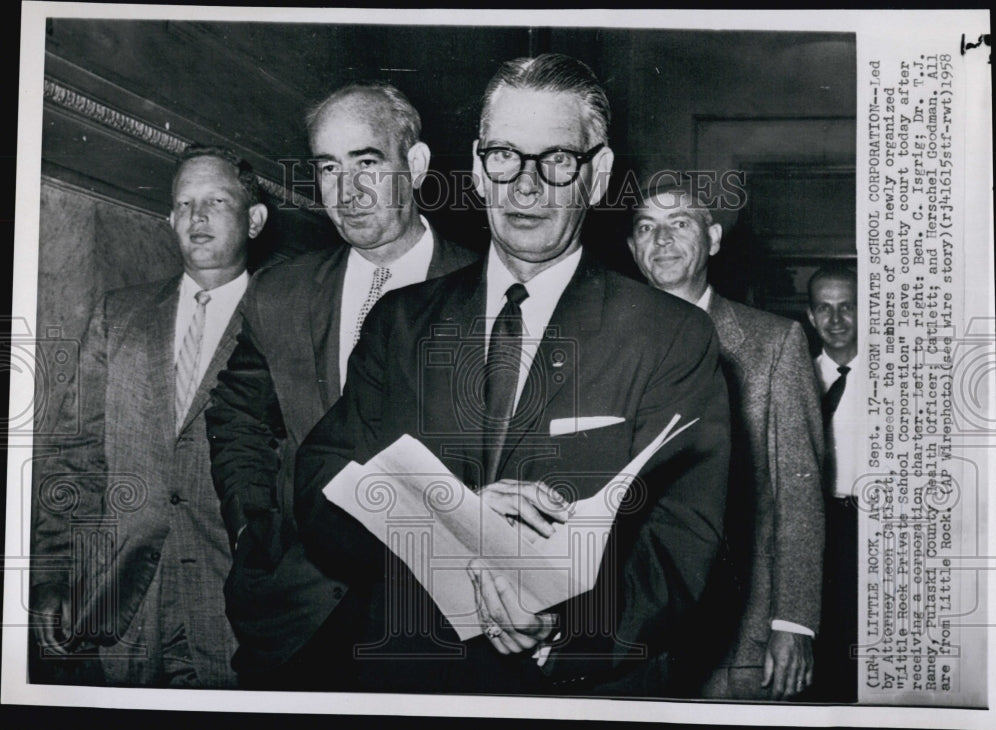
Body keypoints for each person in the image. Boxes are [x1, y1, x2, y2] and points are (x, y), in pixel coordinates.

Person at [292, 53, 730, 695]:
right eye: (504, 156)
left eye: (556, 160)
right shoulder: (402, 322)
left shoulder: (669, 336)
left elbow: (682, 543)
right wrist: (449, 515)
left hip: (571, 694)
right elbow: (321, 484)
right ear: (476, 167)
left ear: (598, 175)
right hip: (406, 677)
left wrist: (560, 627)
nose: (525, 187)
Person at [205, 82, 477, 689]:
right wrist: (254, 528)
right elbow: (237, 417)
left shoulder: (488, 290)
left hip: (437, 626)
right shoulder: (281, 291)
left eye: (367, 163)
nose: (347, 191)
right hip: (294, 618)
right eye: (329, 167)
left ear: (418, 165)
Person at [31, 145, 268, 687]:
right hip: (120, 601)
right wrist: (51, 576)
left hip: (234, 603)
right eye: (183, 204)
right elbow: (75, 457)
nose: (197, 217)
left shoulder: (287, 318)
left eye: (216, 201)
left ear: (254, 219)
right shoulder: (120, 314)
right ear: (169, 220)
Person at [626, 183, 825, 700]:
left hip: (736, 637)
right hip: (623, 634)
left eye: (680, 223)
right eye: (646, 227)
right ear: (632, 250)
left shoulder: (773, 342)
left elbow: (797, 497)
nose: (661, 239)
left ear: (713, 238)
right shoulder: (603, 343)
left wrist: (794, 622)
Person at [806, 264, 860, 702]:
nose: (837, 320)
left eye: (848, 307)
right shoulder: (797, 376)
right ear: (810, 316)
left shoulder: (897, 380)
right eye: (825, 308)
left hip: (873, 526)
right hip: (817, 526)